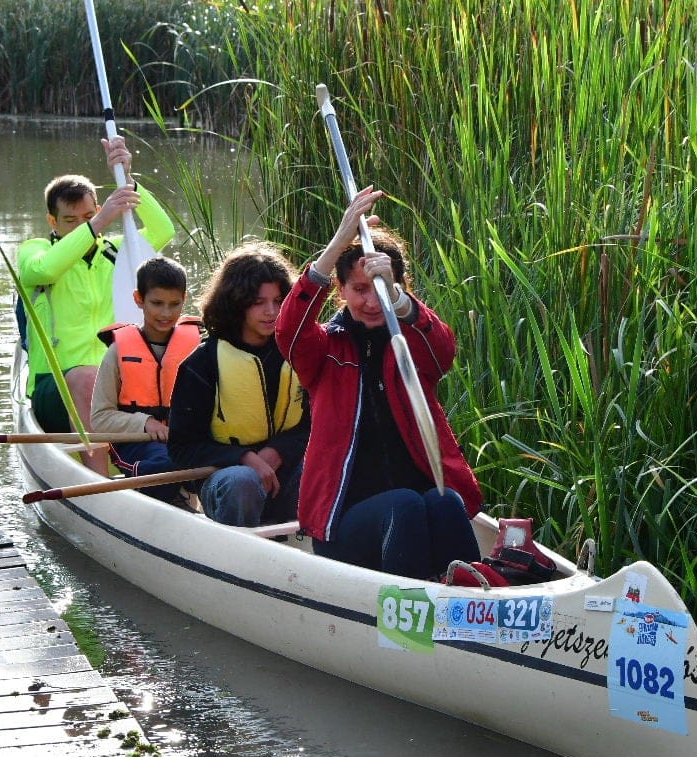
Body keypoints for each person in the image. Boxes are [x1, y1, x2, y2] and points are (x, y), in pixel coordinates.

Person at [275, 187, 482, 580]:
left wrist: (401, 304)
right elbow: (289, 330)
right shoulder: (325, 350)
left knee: (446, 502)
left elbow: (443, 351)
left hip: (414, 517)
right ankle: (407, 617)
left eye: (381, 288)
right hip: (346, 525)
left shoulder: (411, 345)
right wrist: (339, 241)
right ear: (340, 290)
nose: (371, 301)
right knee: (404, 504)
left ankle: (473, 602)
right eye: (359, 289)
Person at [17, 136, 176, 474]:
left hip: (116, 386)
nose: (82, 224)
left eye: (88, 214)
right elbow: (43, 269)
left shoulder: (117, 252)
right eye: (70, 220)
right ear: (52, 223)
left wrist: (129, 180)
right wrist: (100, 220)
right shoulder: (35, 251)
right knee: (88, 378)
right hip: (54, 386)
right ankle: (100, 482)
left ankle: (169, 478)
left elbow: (163, 230)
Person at [166, 242, 309, 526]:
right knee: (242, 481)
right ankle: (241, 557)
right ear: (236, 303)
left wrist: (277, 451)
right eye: (258, 302)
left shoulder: (299, 353)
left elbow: (314, 426)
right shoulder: (202, 364)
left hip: (286, 472)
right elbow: (182, 448)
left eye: (279, 301)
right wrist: (244, 457)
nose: (271, 311)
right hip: (227, 478)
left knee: (328, 467)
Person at [90, 256, 202, 501]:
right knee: (164, 464)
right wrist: (146, 422)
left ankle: (186, 499)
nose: (166, 313)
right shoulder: (117, 352)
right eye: (157, 303)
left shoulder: (199, 348)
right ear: (139, 299)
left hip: (184, 442)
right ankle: (174, 501)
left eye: (175, 304)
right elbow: (99, 419)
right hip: (136, 443)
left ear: (185, 300)